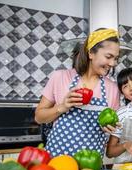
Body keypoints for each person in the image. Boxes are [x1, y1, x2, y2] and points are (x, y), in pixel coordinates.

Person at [35, 28, 120, 157]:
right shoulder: (60, 77)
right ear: (91, 53)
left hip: (90, 166)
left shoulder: (112, 88)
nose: (113, 63)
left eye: (116, 58)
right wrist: (62, 107)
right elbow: (39, 117)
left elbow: (112, 126)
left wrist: (108, 128)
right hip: (57, 161)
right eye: (109, 57)